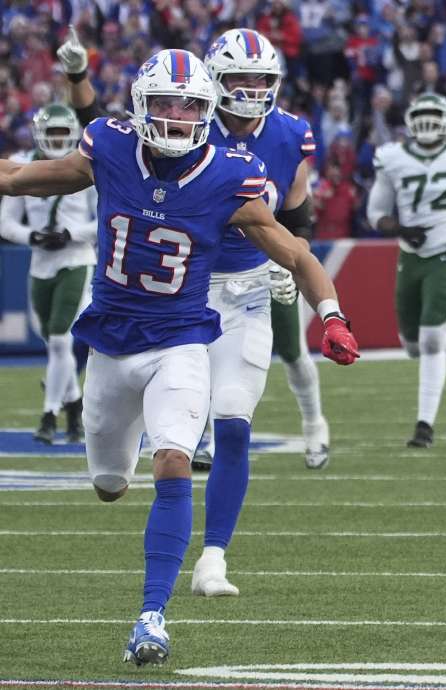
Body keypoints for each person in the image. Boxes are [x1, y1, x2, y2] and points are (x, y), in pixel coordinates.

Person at [0, 48, 358, 667]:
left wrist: (330, 314)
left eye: (190, 104)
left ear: (207, 108)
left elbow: (296, 252)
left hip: (182, 340)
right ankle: (128, 471)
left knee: (173, 459)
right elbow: (17, 177)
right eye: (164, 102)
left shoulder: (229, 175)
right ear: (140, 106)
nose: (176, 115)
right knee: (111, 484)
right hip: (111, 343)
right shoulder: (108, 146)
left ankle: (152, 618)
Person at [58, 27, 335, 481]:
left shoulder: (288, 134)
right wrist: (77, 76)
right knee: (189, 364)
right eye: (242, 77)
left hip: (257, 272)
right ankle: (193, 436)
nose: (254, 89)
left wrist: (295, 256)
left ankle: (314, 424)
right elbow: (115, 137)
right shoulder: (184, 121)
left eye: (264, 79)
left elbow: (296, 218)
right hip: (194, 273)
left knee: (293, 352)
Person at [367, 93, 446, 448]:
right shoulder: (392, 157)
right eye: (419, 115)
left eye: (432, 115)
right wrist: (397, 228)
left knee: (428, 340)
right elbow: (375, 210)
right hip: (410, 256)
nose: (426, 123)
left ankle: (424, 426)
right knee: (412, 345)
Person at [0, 103, 96, 444]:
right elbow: (6, 222)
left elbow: (104, 220)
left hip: (77, 259)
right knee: (52, 342)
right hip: (40, 263)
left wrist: (72, 234)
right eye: (51, 132)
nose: (57, 139)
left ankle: (48, 415)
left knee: (59, 339)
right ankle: (74, 407)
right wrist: (33, 236)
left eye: (62, 132)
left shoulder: (86, 167)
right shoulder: (24, 165)